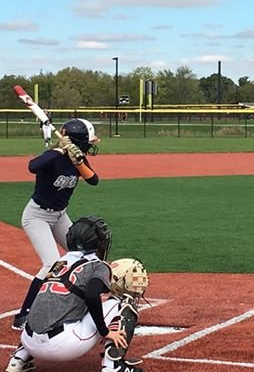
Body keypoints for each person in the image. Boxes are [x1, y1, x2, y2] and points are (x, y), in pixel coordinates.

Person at [5, 216, 149, 372]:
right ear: (98, 243)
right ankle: (113, 366)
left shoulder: (59, 263)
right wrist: (105, 331)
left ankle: (18, 360)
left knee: (49, 302)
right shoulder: (98, 266)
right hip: (62, 346)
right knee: (123, 302)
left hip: (28, 341)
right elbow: (92, 295)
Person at [11, 118, 100, 331]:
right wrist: (59, 151)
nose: (91, 144)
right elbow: (33, 166)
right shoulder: (54, 157)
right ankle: (24, 315)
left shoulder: (77, 159)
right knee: (51, 263)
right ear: (79, 140)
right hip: (37, 216)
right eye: (88, 140)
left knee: (85, 254)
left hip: (60, 216)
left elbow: (93, 180)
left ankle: (77, 302)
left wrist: (77, 160)